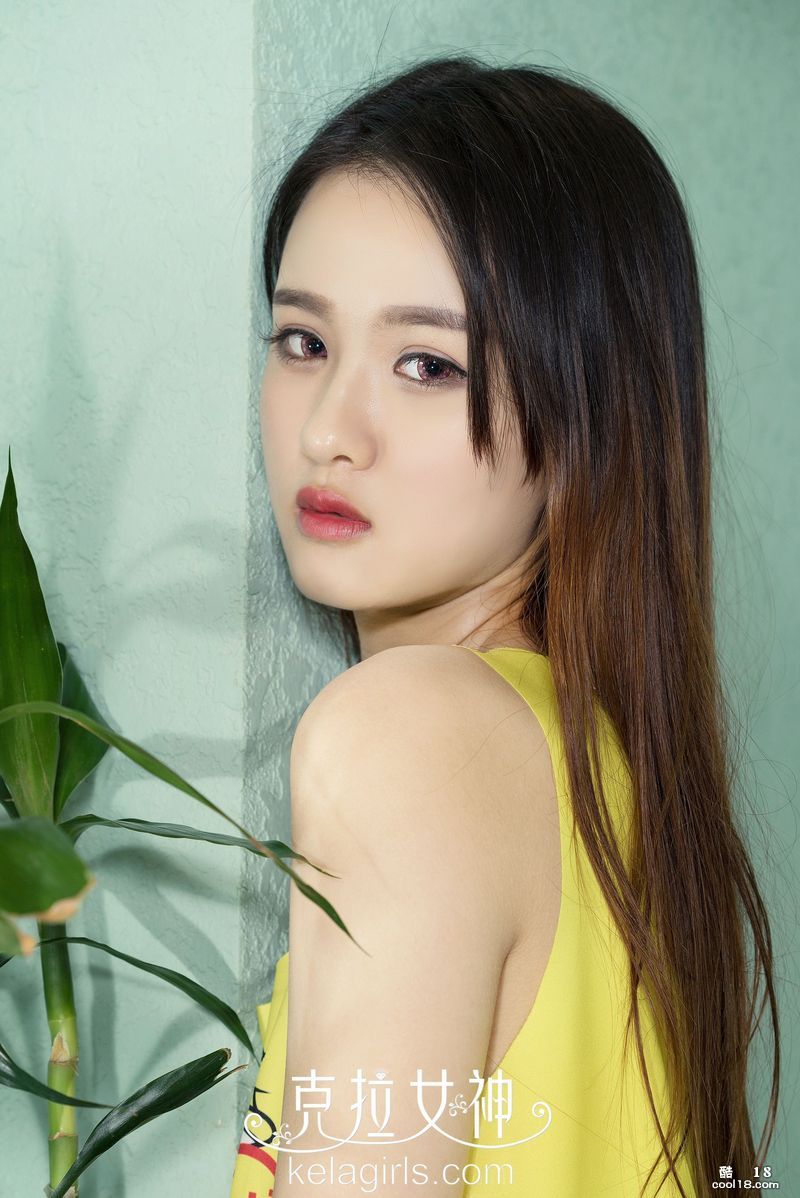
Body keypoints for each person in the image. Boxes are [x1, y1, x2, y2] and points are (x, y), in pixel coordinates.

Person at [229, 53, 781, 1198]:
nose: (329, 430)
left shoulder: (410, 736)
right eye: (303, 341)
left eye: (426, 364)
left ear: (584, 414)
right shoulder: (608, 775)